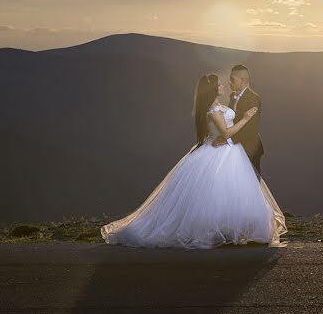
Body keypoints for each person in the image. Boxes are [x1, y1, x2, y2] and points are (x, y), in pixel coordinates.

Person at [100, 73, 287, 248]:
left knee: (225, 194)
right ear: (213, 89)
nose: (223, 85)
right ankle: (221, 231)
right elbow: (227, 132)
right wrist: (246, 118)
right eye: (219, 84)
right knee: (221, 193)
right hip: (221, 153)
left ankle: (229, 231)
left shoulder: (216, 107)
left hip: (226, 150)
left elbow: (221, 132)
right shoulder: (213, 110)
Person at [211, 65, 263, 178]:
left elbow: (251, 128)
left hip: (249, 148)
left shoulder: (254, 99)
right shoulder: (232, 95)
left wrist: (227, 139)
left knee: (250, 183)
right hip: (234, 149)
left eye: (232, 79)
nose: (229, 82)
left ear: (242, 80)